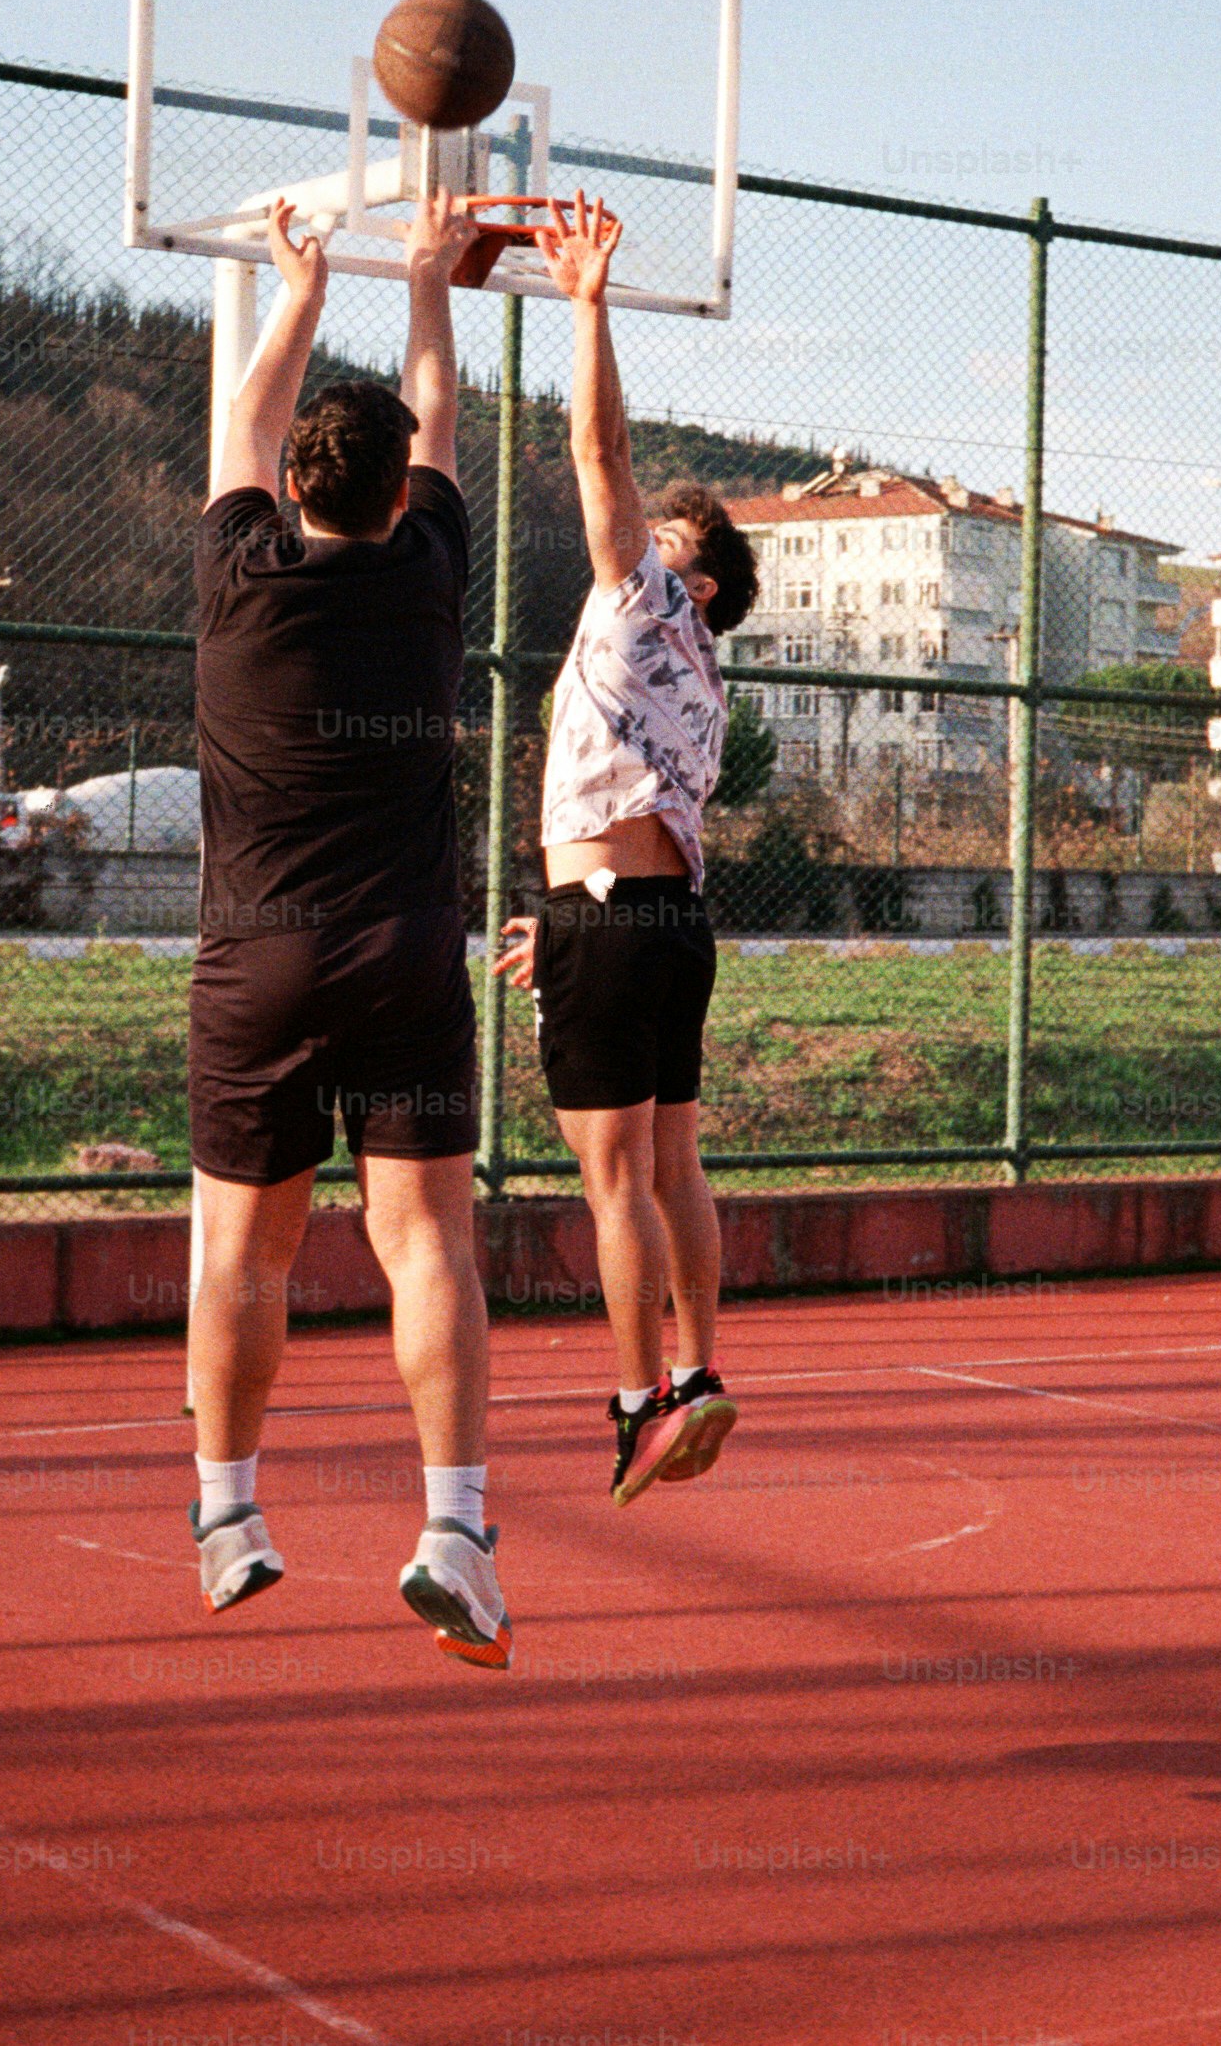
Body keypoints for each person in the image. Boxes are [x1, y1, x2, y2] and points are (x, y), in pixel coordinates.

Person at [184, 185, 510, 1670]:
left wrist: (295, 286)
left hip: (255, 962)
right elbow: (437, 407)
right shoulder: (430, 576)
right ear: (394, 497)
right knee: (426, 1244)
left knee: (246, 1259)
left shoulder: (238, 582)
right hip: (403, 960)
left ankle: (227, 1519)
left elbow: (244, 428)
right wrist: (430, 278)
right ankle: (453, 1530)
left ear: (292, 494)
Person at [497, 196, 760, 1505]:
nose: (643, 541)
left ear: (696, 584)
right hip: (655, 922)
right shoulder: (705, 678)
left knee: (613, 1184)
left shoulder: (650, 604)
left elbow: (598, 454)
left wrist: (585, 303)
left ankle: (641, 1398)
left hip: (610, 922)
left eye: (671, 543)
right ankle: (699, 1373)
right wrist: (564, 913)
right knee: (672, 1165)